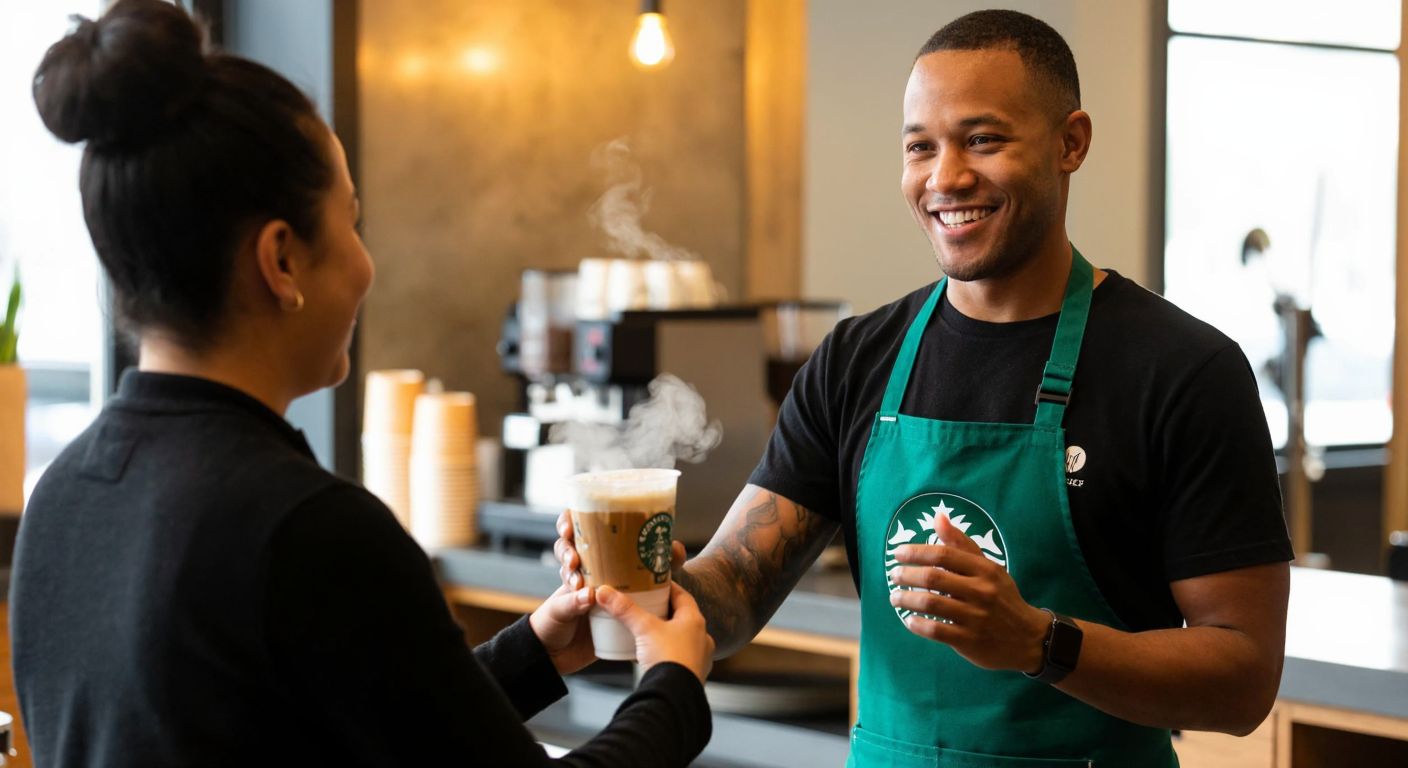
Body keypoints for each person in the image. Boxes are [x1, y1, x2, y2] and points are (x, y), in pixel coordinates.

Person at [558, 9, 1293, 766]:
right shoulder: (855, 359)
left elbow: (1241, 682)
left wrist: (1038, 642)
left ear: (1070, 142)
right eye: (920, 148)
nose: (945, 178)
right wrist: (646, 588)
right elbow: (736, 589)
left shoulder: (1183, 372)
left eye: (983, 139)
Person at [11, 1, 714, 766]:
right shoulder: (310, 531)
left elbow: (325, 727)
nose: (365, 265)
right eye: (351, 222)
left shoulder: (63, 500)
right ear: (281, 261)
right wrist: (673, 683)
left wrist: (533, 653)